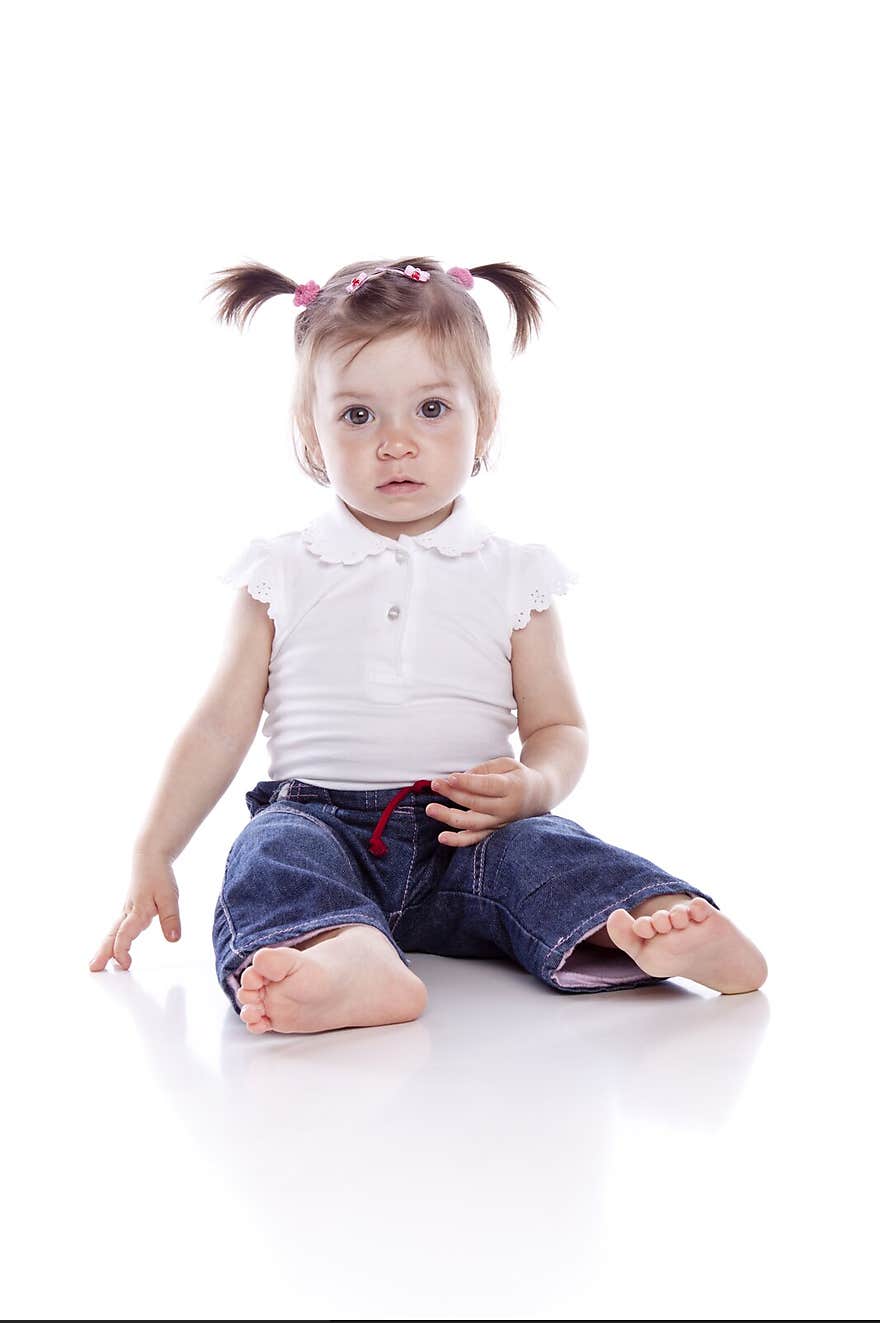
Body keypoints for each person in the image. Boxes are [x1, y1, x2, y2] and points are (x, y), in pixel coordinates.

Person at [89, 257, 768, 1032]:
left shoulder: (516, 576)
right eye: (358, 416)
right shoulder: (281, 570)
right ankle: (344, 957)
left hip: (468, 830)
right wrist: (154, 848)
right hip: (323, 822)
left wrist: (535, 787)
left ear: (487, 415)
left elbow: (558, 728)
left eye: (433, 409)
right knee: (270, 853)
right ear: (310, 430)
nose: (397, 444)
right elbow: (218, 726)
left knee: (547, 851)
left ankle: (650, 923)